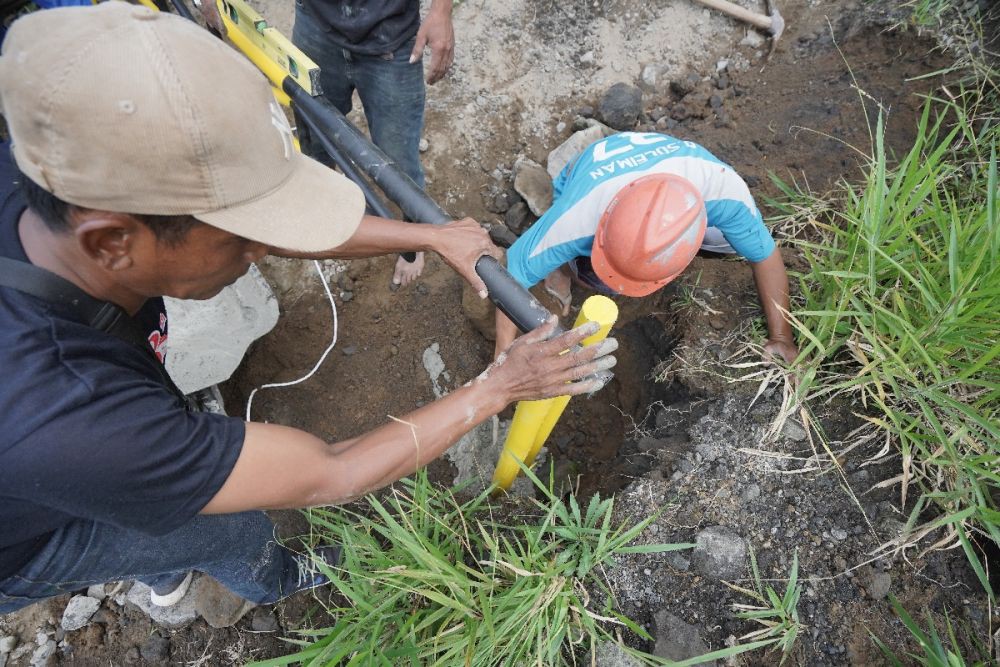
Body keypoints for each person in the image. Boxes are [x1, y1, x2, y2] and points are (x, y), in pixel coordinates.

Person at [0, 3, 615, 614]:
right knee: (224, 531)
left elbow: (265, 227)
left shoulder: (52, 179)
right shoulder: (71, 421)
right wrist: (499, 386)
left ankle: (154, 541)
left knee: (163, 495)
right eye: (242, 240)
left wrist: (429, 236)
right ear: (112, 242)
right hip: (19, 540)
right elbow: (332, 472)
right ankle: (277, 579)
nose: (262, 252)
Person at [202, 0, 453, 289]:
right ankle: (320, 217)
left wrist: (441, 11)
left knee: (399, 161)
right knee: (314, 138)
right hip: (316, 24)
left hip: (391, 37)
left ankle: (413, 244)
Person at [495, 131, 799, 365]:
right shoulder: (577, 217)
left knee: (730, 246)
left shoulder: (725, 192)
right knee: (595, 278)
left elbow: (765, 255)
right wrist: (503, 360)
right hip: (596, 163)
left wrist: (782, 337)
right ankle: (564, 267)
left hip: (671, 166)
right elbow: (510, 278)